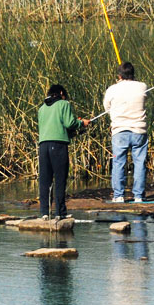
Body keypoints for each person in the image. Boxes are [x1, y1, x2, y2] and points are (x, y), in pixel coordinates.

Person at [38, 84, 89, 219]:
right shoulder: (63, 104)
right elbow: (69, 123)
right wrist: (81, 123)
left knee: (45, 180)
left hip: (43, 146)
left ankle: (44, 212)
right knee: (60, 179)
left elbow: (54, 126)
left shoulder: (42, 108)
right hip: (58, 145)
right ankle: (60, 213)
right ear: (61, 93)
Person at [103, 62, 148, 203]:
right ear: (133, 74)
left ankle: (118, 196)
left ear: (119, 76)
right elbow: (146, 98)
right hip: (139, 130)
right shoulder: (142, 86)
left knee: (118, 163)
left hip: (119, 131)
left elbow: (106, 107)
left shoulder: (112, 89)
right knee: (140, 163)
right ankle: (138, 196)